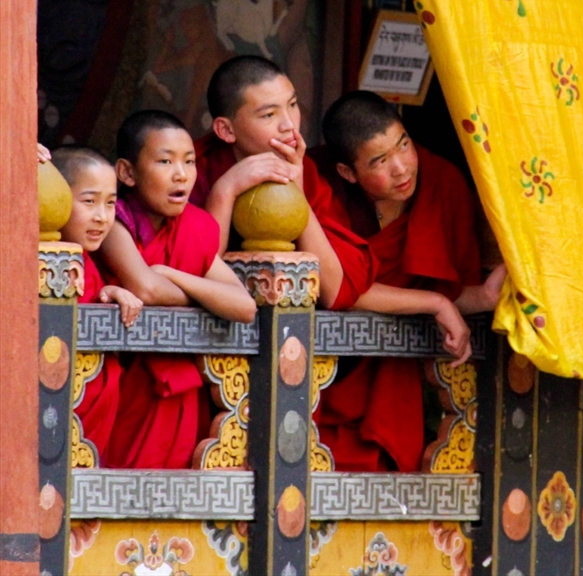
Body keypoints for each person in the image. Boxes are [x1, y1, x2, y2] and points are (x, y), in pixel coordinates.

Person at [190, 56, 473, 357]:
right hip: (206, 345)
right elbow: (199, 271)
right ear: (226, 130)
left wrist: (297, 189)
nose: (289, 125)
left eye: (293, 105)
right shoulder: (192, 171)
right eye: (269, 114)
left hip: (289, 350)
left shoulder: (308, 174)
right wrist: (226, 189)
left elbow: (337, 290)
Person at [317, 90, 505, 472]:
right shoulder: (322, 188)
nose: (402, 168)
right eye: (380, 161)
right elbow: (341, 290)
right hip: (325, 372)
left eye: (404, 145)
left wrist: (484, 297)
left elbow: (443, 290)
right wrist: (435, 304)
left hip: (396, 379)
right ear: (348, 173)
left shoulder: (443, 184)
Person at [97, 110, 256, 469]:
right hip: (126, 386)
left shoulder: (193, 228)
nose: (181, 174)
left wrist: (173, 274)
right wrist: (205, 297)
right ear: (127, 173)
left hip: (181, 394)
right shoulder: (113, 222)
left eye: (189, 161)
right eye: (165, 161)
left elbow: (244, 307)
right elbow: (147, 289)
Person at [50, 147, 143, 459]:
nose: (102, 217)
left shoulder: (90, 265)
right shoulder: (34, 261)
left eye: (111, 203)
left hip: (91, 426)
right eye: (89, 201)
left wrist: (111, 292)